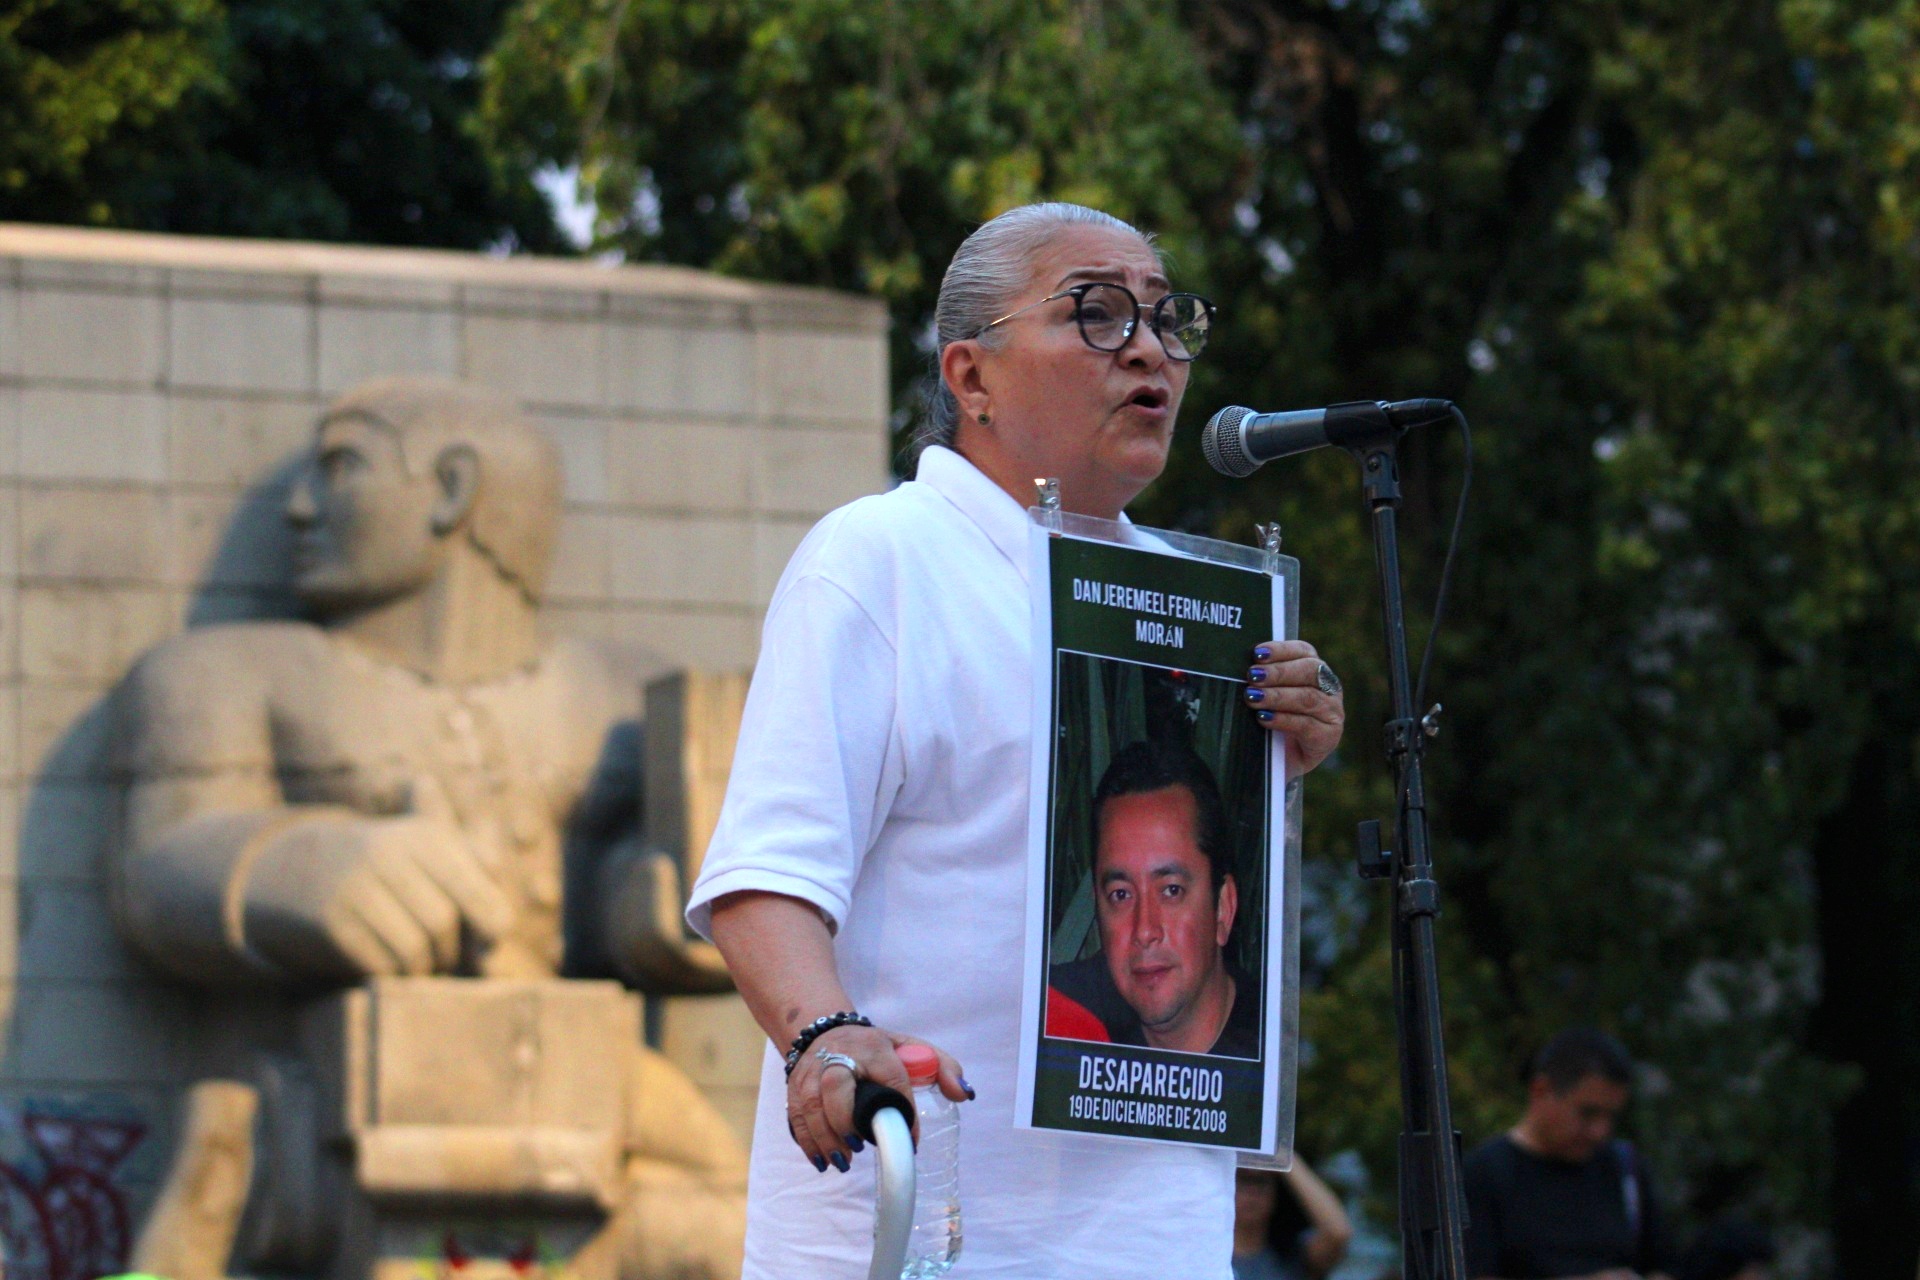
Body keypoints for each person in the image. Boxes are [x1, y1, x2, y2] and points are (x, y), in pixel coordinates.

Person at [685, 202, 1348, 1278]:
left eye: (1168, 318)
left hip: (1157, 1237)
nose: (1148, 347)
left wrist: (1278, 747)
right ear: (970, 375)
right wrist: (822, 1034)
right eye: (1095, 312)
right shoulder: (880, 556)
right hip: (919, 1233)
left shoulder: (1205, 610)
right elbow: (765, 873)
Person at [1046, 738, 1260, 1057]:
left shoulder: (1280, 1048)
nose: (1145, 931)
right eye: (1121, 895)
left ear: (1223, 909)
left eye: (1171, 890)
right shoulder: (1055, 1018)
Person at [1464, 1028, 1673, 1280]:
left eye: (1611, 1116)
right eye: (1588, 1113)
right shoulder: (1484, 1174)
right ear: (1541, 1091)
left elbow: (1661, 1264)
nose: (1600, 1131)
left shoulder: (1625, 1168)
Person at [1233, 1157, 1355, 1280]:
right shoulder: (1214, 1253)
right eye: (1242, 1180)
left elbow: (1338, 1233)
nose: (1252, 1192)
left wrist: (1284, 1154)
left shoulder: (1294, 1255)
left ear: (1278, 1192)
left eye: (1261, 1182)